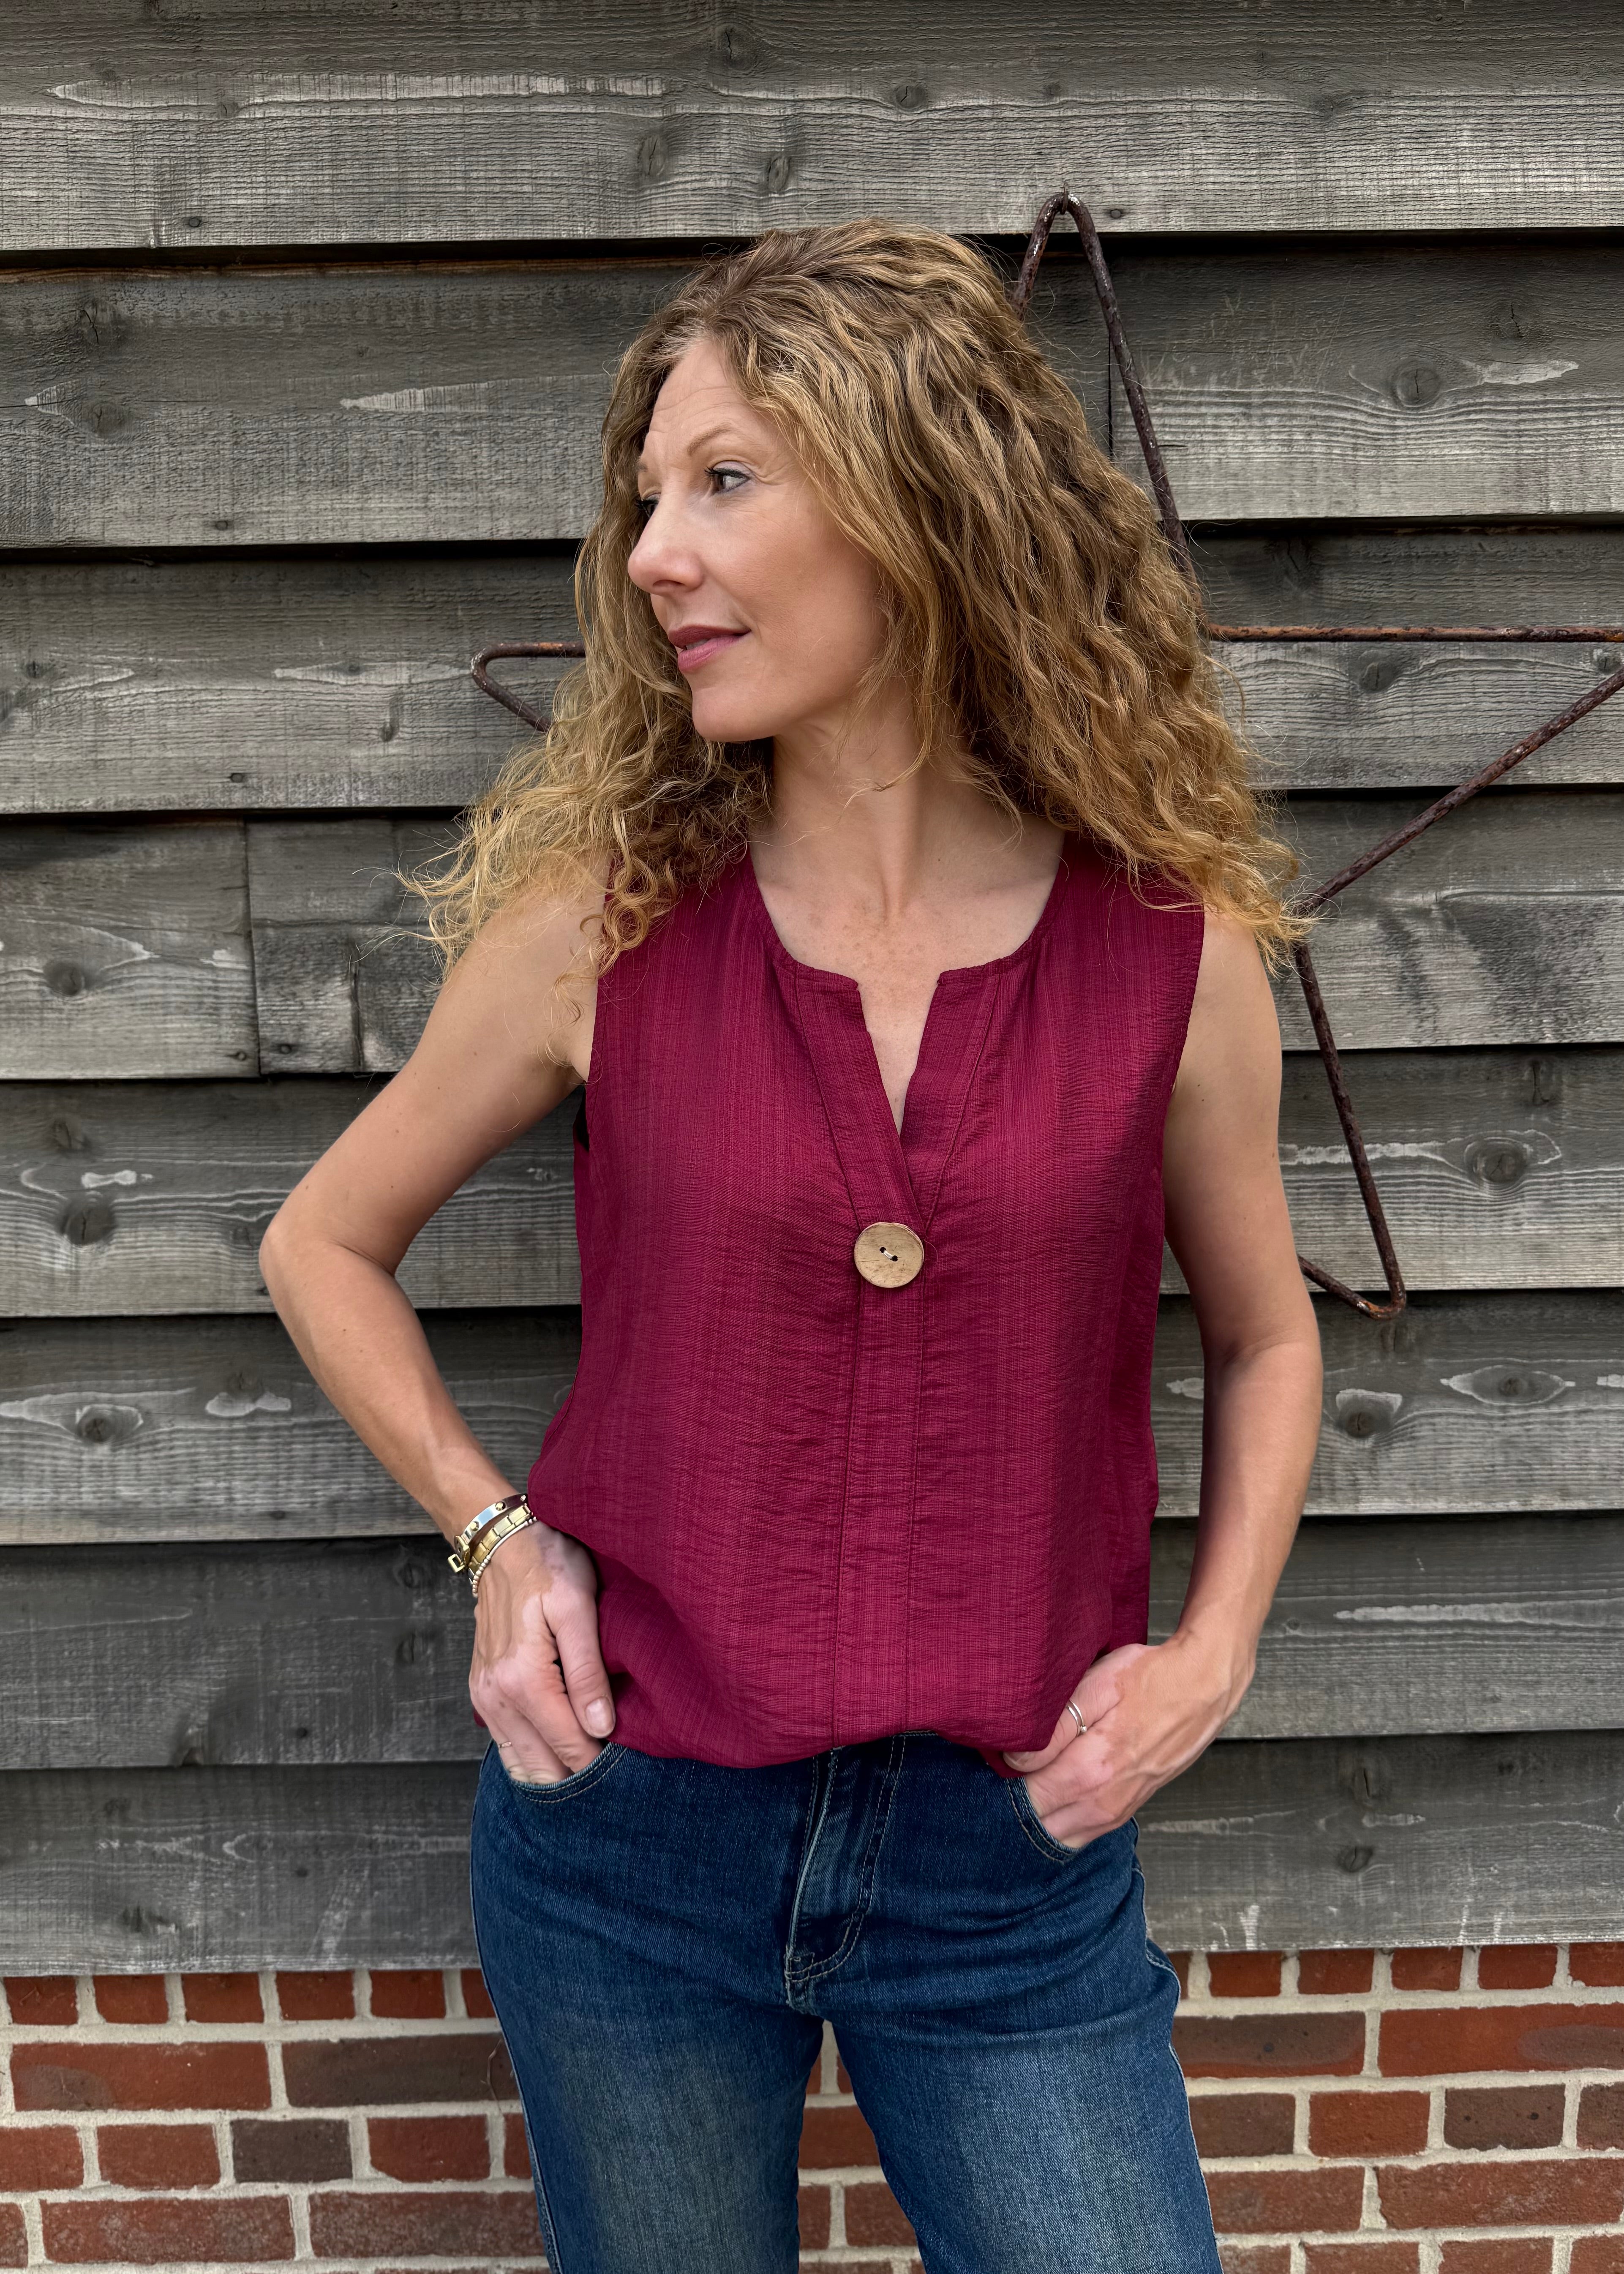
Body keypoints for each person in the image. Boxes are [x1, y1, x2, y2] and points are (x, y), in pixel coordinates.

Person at [260, 221, 1324, 2274]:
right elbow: (325, 1240)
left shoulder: (1169, 953)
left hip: (1008, 1864)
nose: (655, 551)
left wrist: (1211, 1651)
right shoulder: (606, 923)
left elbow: (1267, 1337)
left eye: (725, 480)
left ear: (922, 501)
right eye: (649, 495)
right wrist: (496, 1535)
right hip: (628, 1836)